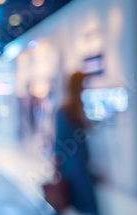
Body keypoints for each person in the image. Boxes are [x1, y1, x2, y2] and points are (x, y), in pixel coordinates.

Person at [54, 72, 99, 214]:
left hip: (79, 164)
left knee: (81, 203)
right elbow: (60, 140)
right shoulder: (66, 110)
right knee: (85, 204)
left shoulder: (75, 108)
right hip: (73, 165)